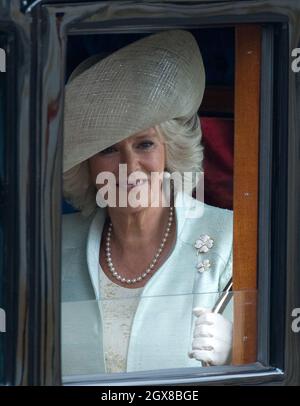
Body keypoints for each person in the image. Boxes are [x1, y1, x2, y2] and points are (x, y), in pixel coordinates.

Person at [61, 30, 233, 377]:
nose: (129, 165)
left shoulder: (233, 238)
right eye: (108, 149)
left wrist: (240, 352)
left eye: (144, 144)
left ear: (169, 151)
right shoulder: (54, 244)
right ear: (88, 166)